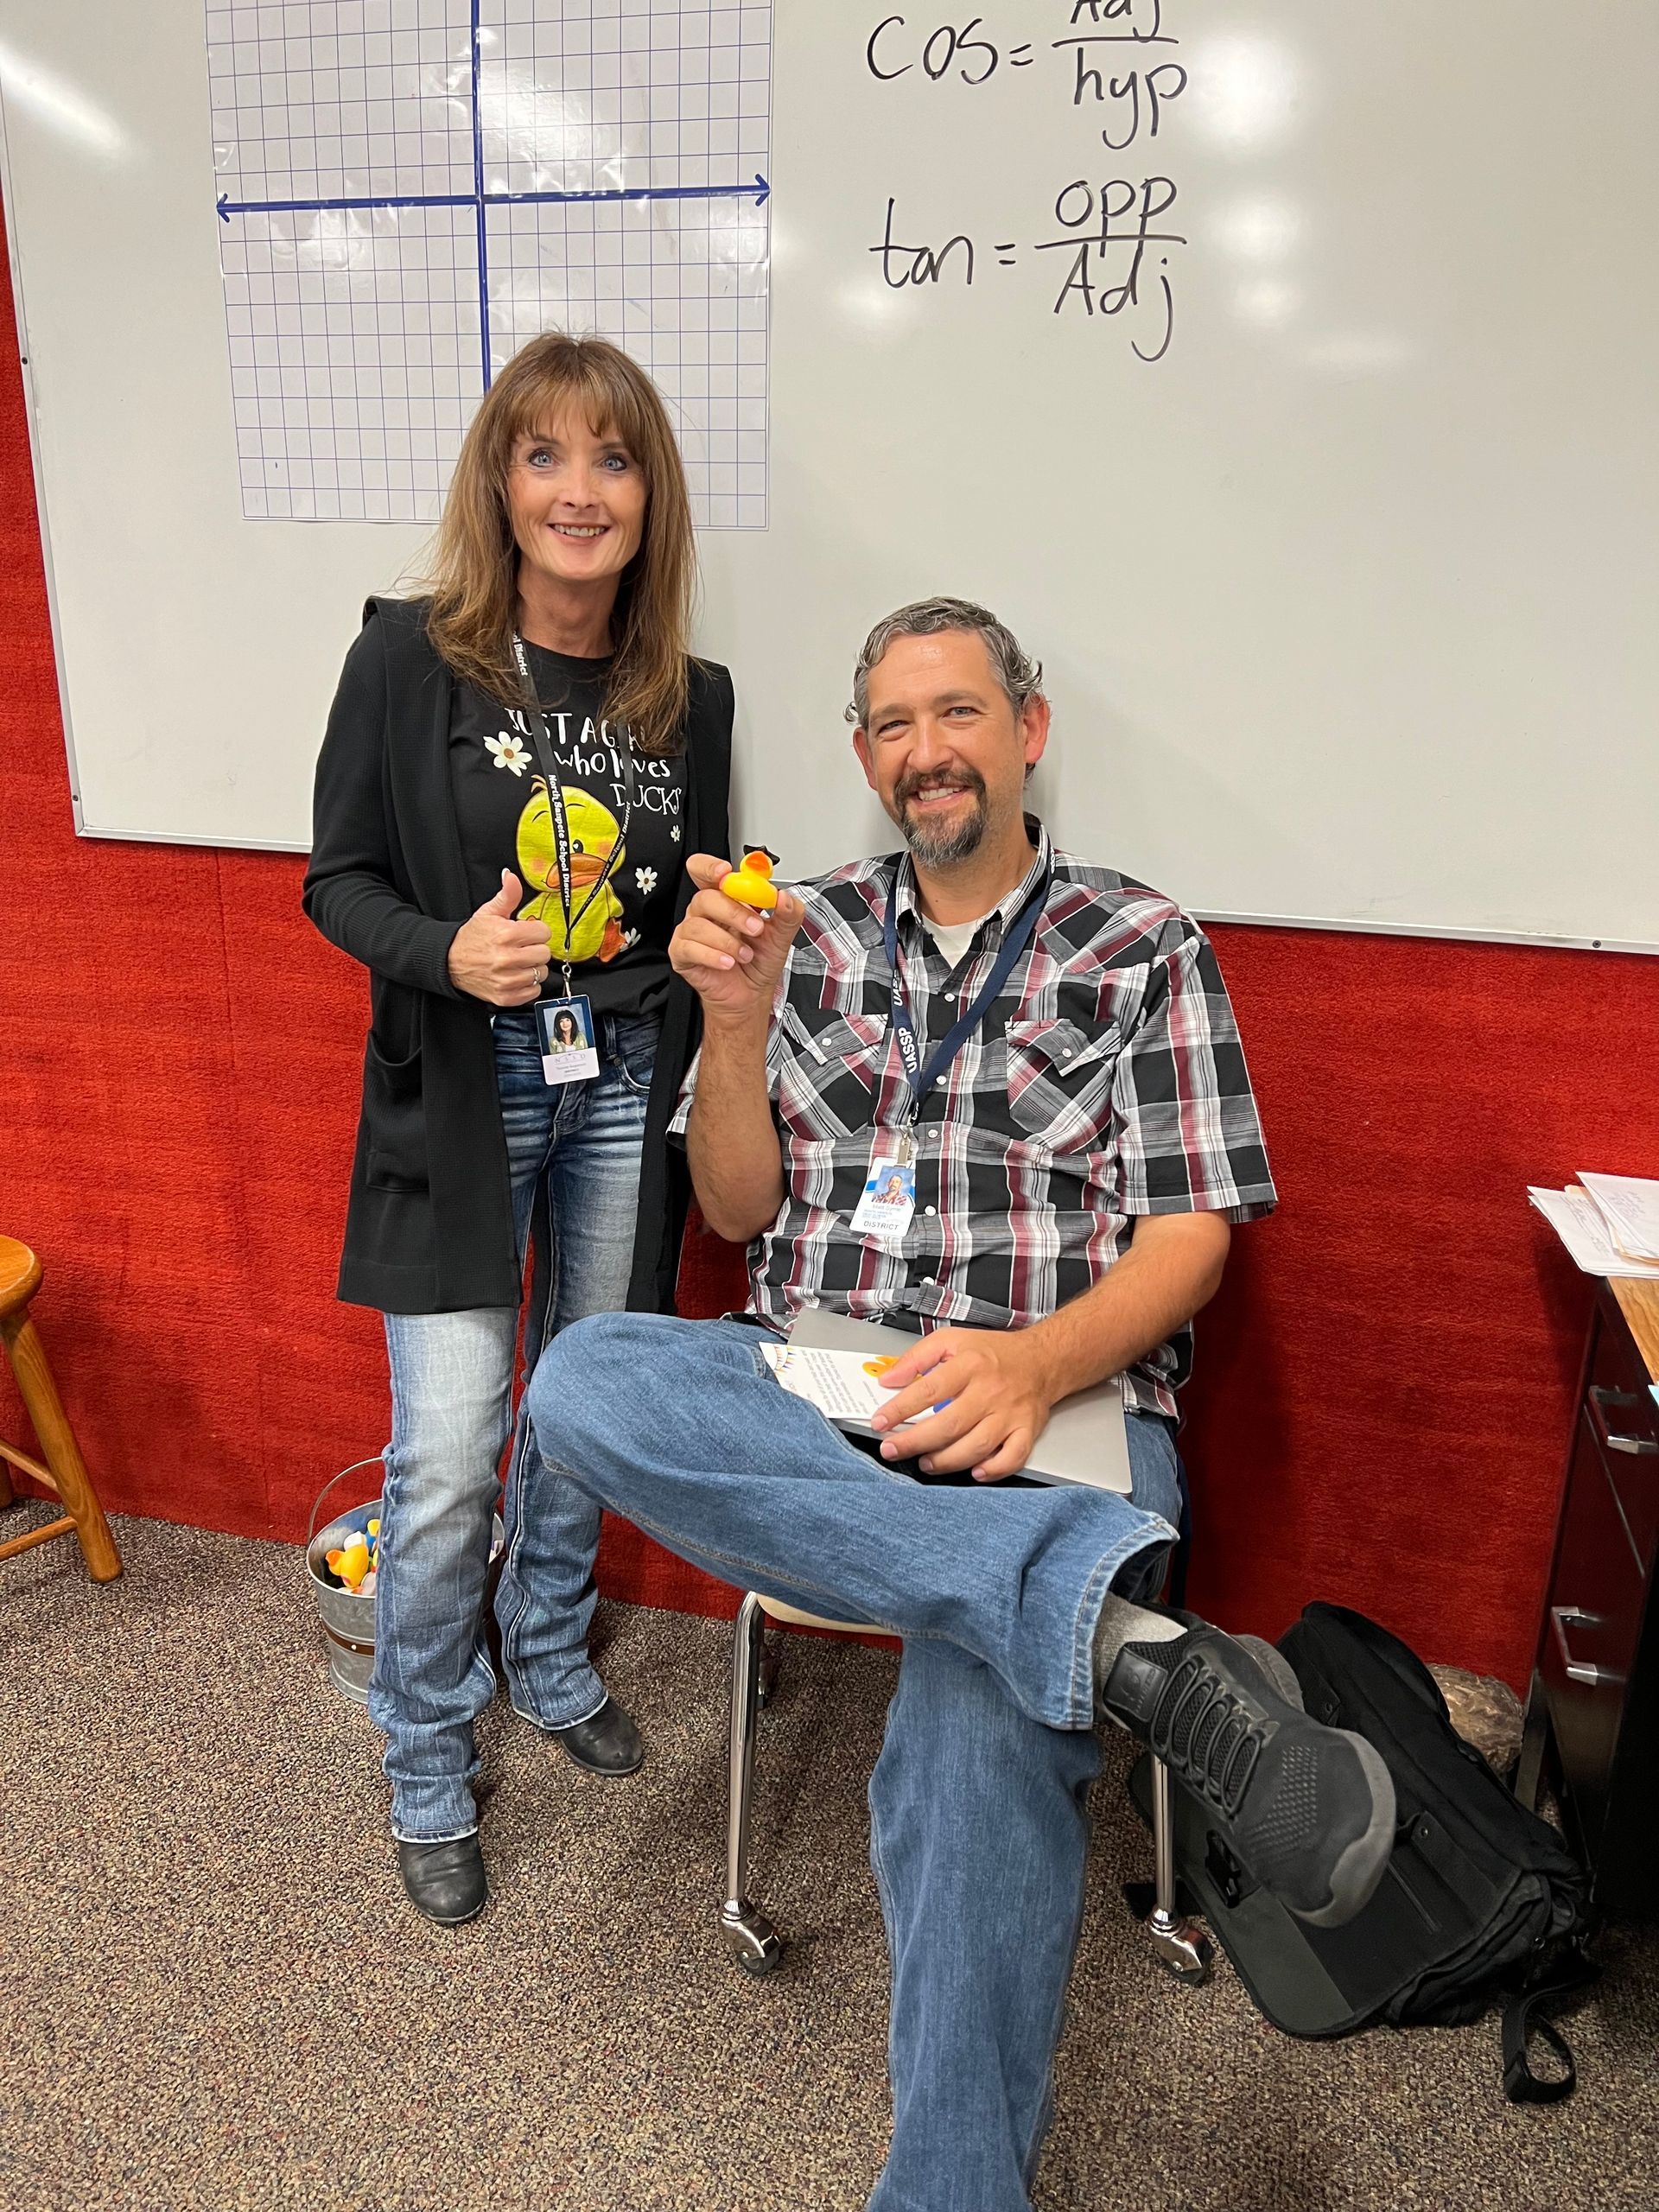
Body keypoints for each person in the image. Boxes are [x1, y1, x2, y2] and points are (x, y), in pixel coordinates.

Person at [512, 598, 1397, 2211]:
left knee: (975, 1739)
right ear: (864, 756)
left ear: (1026, 731)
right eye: (895, 725)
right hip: (818, 1383)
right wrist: (726, 1024)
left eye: (960, 713)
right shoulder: (808, 933)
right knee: (582, 1378)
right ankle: (1113, 1636)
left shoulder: (1143, 943)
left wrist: (1039, 1362)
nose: (928, 752)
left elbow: (1194, 1243)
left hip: (1053, 1401)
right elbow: (727, 1215)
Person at [302, 334, 732, 1925]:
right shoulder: (409, 660)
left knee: (589, 1399)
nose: (578, 489)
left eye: (612, 459)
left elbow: (683, 914)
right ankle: (423, 1751)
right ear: (502, 481)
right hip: (466, 1088)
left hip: (622, 1078)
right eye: (544, 454)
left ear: (648, 497)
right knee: (451, 1448)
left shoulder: (690, 696)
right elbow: (336, 878)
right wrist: (448, 953)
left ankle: (545, 1654)